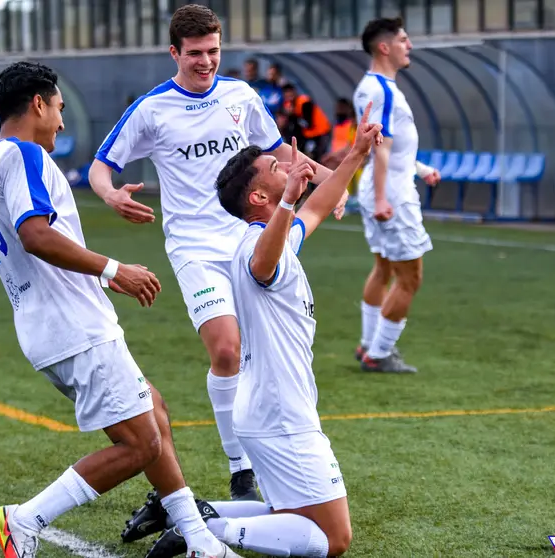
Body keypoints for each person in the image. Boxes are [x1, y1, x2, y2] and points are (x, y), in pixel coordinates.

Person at [0, 61, 240, 558]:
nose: (60, 121)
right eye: (56, 108)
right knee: (141, 445)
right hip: (74, 327)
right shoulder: (25, 156)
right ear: (38, 104)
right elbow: (35, 235)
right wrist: (113, 269)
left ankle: (201, 541)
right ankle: (25, 520)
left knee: (154, 413)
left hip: (50, 326)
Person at [88, 4, 344, 506]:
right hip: (194, 248)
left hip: (251, 237)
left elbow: (279, 152)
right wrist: (111, 193)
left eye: (213, 51)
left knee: (264, 354)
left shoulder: (241, 95)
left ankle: (270, 457)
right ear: (174, 53)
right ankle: (239, 469)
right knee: (227, 350)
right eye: (195, 54)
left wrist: (330, 181)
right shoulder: (151, 108)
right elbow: (102, 165)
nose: (206, 62)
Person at [132, 106, 382, 558]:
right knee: (332, 538)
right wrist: (289, 198)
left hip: (270, 409)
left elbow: (320, 205)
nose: (285, 166)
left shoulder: (276, 237)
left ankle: (190, 515)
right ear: (259, 198)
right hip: (280, 413)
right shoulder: (257, 245)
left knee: (290, 512)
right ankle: (204, 536)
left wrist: (357, 154)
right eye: (273, 169)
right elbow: (263, 265)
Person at [352, 18, 442, 373]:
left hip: (384, 184)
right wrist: (381, 200)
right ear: (385, 47)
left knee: (384, 267)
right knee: (411, 276)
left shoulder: (371, 86)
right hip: (390, 192)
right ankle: (380, 353)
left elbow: (392, 145)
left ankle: (368, 345)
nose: (410, 46)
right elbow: (382, 149)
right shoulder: (383, 90)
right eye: (404, 40)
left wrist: (420, 169)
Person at [281, 83, 332, 162]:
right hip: (310, 135)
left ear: (294, 92)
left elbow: (308, 123)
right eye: (286, 94)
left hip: (321, 132)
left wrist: (293, 115)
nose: (288, 97)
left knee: (318, 157)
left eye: (290, 93)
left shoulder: (304, 102)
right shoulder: (290, 105)